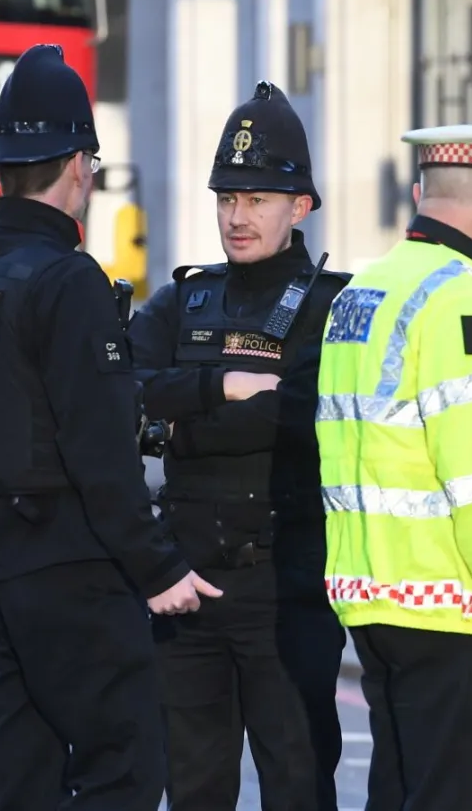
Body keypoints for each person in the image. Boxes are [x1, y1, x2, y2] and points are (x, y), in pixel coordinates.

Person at [0, 44, 231, 811]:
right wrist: (158, 571)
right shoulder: (67, 281)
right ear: (79, 166)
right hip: (71, 570)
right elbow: (100, 453)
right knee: (123, 765)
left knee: (16, 775)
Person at [315, 124, 472, 810]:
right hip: (453, 603)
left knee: (400, 791)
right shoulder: (467, 304)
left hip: (374, 598)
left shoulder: (362, 294)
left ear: (422, 193)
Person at [125, 80, 350, 811]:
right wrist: (221, 388)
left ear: (300, 206)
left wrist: (179, 414)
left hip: (286, 588)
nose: (236, 216)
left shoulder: (333, 307)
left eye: (256, 199)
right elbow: (119, 392)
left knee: (297, 784)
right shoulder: (183, 299)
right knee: (193, 788)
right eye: (226, 198)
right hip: (189, 584)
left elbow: (302, 416)